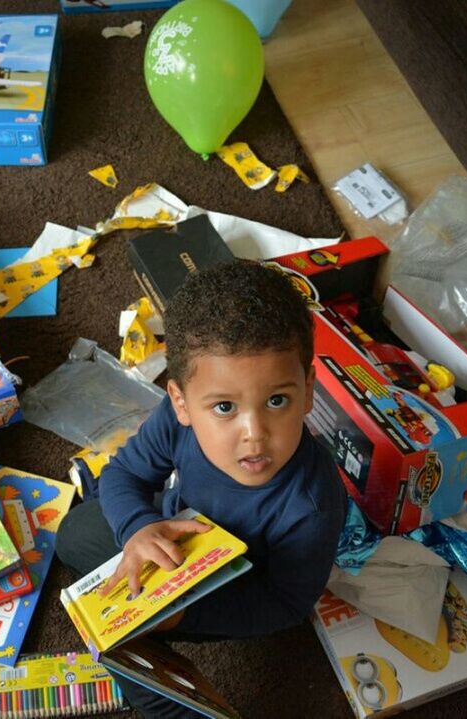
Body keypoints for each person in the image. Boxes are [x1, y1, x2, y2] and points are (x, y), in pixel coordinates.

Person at [56, 260, 347, 717]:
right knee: (73, 534)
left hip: (229, 589)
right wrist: (138, 528)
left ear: (308, 390)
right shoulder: (175, 421)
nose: (254, 433)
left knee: (128, 639)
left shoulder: (312, 503)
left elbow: (286, 604)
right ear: (181, 402)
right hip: (174, 529)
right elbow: (123, 475)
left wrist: (186, 614)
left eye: (277, 401)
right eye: (225, 407)